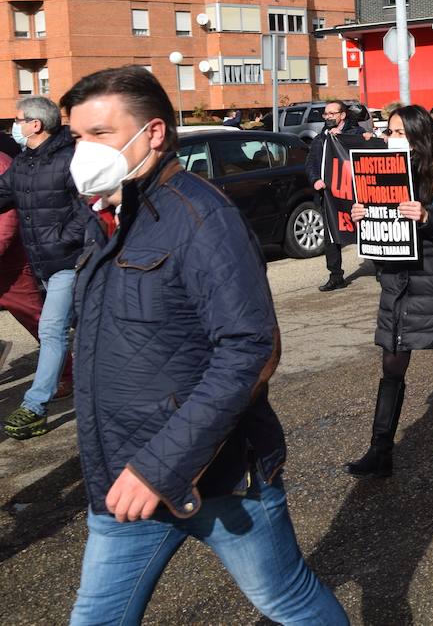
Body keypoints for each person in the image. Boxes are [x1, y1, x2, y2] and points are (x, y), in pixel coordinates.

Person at [61, 66, 344, 624]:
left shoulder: (201, 216)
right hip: (123, 479)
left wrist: (163, 465)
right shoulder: (114, 218)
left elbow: (250, 347)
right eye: (77, 137)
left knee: (288, 600)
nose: (84, 152)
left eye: (100, 134)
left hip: (213, 477)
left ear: (154, 134)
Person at [345, 106, 433, 477]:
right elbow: (377, 238)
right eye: (389, 132)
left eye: (401, 133)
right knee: (392, 363)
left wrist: (426, 217)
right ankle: (380, 448)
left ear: (420, 137)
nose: (392, 139)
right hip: (398, 284)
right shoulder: (379, 175)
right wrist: (361, 219)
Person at [0, 96, 83, 440]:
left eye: (19, 121)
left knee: (50, 330)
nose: (15, 127)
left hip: (68, 261)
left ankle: (34, 407)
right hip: (42, 265)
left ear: (35, 125)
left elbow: (90, 210)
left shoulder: (70, 160)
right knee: (74, 329)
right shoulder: (24, 164)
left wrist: (64, 241)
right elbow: (3, 194)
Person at [0, 148, 46, 398]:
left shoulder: (2, 163)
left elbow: (9, 215)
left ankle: (64, 373)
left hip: (11, 263)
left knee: (36, 320)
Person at [307, 100, 367, 292]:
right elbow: (310, 163)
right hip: (330, 196)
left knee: (366, 231)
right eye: (326, 114)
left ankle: (381, 267)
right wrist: (315, 179)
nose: (329, 117)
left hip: (356, 194)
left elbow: (366, 152)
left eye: (333, 113)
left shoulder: (356, 133)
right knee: (331, 236)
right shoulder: (320, 138)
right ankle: (336, 276)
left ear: (343, 115)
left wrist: (342, 138)